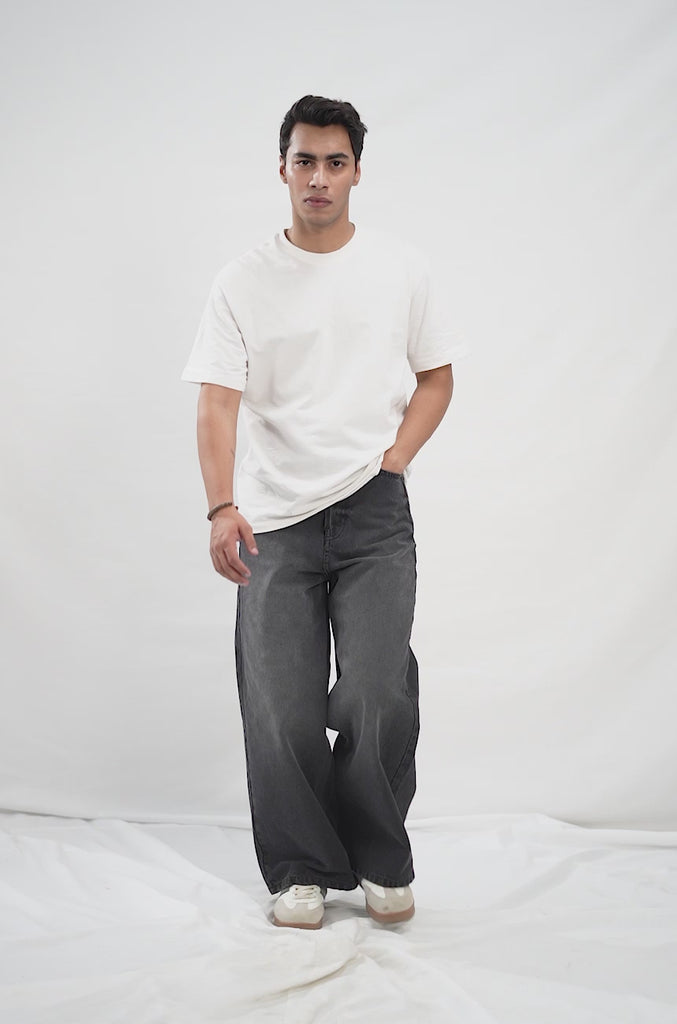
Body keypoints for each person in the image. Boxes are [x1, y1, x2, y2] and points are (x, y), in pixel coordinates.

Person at [181, 94, 466, 930]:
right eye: (303, 160)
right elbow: (217, 402)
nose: (318, 177)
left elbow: (437, 376)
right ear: (282, 168)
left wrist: (394, 459)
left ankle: (378, 855)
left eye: (334, 162)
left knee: (377, 692)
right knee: (282, 706)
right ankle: (300, 868)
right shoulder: (242, 280)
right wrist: (221, 506)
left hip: (373, 514)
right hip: (272, 517)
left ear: (355, 172)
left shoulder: (399, 269)